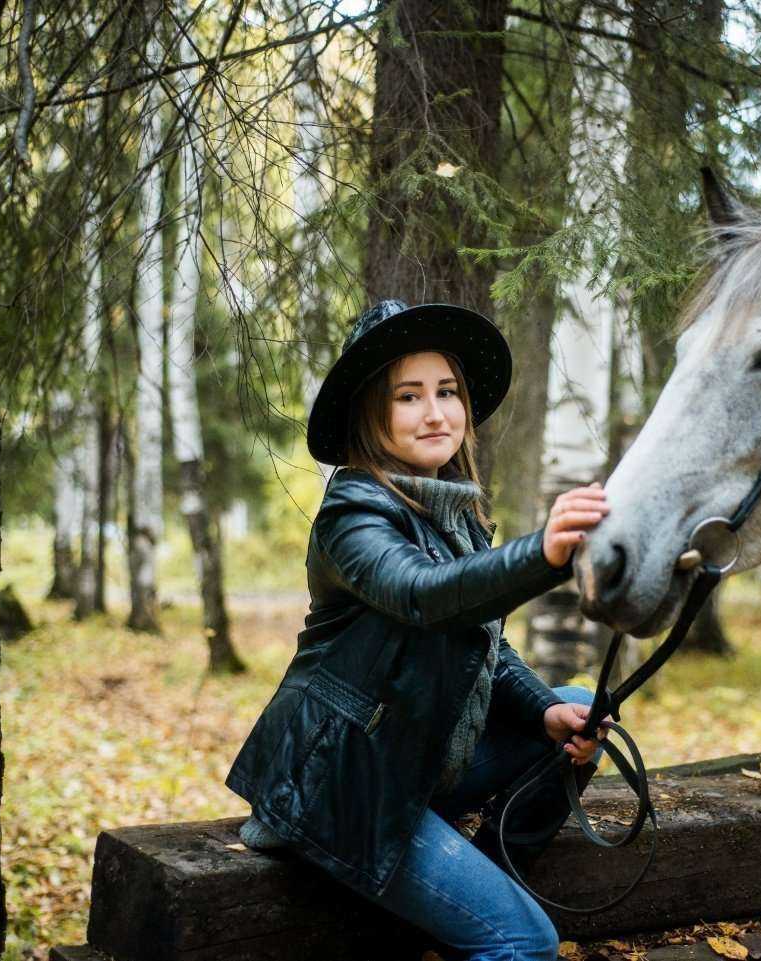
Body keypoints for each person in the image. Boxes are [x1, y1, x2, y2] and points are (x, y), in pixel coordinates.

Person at [225, 299, 611, 960]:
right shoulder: (352, 511)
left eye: (447, 391)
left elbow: (486, 644)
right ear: (369, 415)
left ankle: (492, 873)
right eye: (408, 397)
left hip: (416, 762)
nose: (435, 413)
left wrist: (542, 711)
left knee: (575, 704)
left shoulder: (452, 513)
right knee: (525, 943)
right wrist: (541, 554)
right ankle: (491, 923)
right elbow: (422, 595)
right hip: (347, 785)